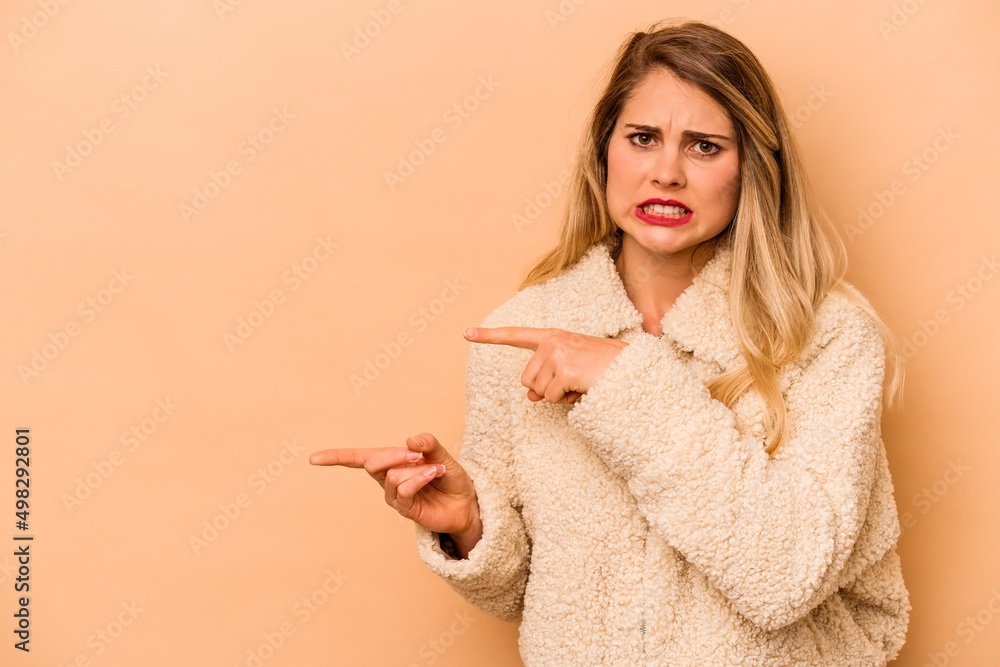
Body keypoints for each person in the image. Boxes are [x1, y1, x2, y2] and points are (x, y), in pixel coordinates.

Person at [309, 18, 911, 666]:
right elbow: (528, 592)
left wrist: (626, 386)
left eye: (704, 146)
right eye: (643, 138)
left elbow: (789, 571)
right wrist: (470, 524)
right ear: (605, 153)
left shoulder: (825, 335)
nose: (667, 172)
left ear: (750, 171)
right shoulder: (523, 331)